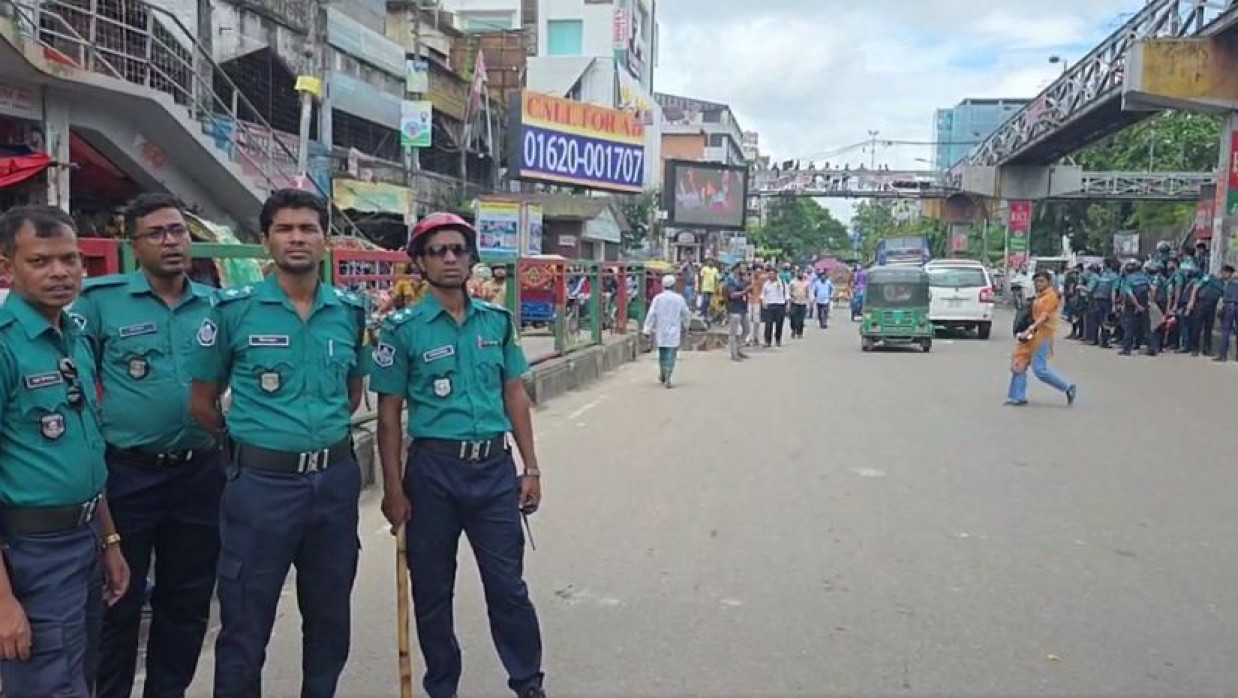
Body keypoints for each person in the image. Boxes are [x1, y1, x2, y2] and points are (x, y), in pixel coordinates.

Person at [188, 189, 369, 698]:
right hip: (261, 488)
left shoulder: (349, 313)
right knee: (246, 622)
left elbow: (351, 393)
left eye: (308, 228)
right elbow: (203, 401)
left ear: (325, 240)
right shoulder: (233, 312)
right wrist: (253, 447)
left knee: (330, 618)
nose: (297, 238)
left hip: (333, 483)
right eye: (285, 229)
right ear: (265, 239)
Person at [371, 212, 547, 698]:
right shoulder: (401, 330)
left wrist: (530, 467)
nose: (450, 258)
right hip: (433, 474)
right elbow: (388, 417)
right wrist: (393, 489)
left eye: (458, 249)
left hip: (493, 470)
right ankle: (442, 686)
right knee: (431, 594)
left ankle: (529, 684)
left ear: (472, 258)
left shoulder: (497, 321)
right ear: (420, 263)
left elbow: (514, 394)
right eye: (437, 251)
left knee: (508, 589)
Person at [74, 193, 223, 698]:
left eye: (178, 231)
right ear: (133, 244)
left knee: (187, 600)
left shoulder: (215, 305)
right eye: (157, 233)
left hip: (199, 472)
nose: (171, 242)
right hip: (127, 474)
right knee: (119, 600)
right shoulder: (100, 302)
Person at [0, 205, 130, 697]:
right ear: (7, 267)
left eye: (70, 259)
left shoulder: (73, 337)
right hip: (32, 552)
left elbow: (84, 451)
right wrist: (3, 602)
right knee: (46, 685)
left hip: (84, 541)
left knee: (81, 678)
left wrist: (110, 540)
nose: (59, 272)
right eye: (40, 261)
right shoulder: (6, 346)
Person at [1006, 271, 1078, 407]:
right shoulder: (1038, 297)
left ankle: (1068, 388)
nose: (1038, 284)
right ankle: (1018, 396)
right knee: (1018, 362)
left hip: (1042, 336)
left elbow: (1043, 316)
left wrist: (1031, 328)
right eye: (1036, 281)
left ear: (1048, 282)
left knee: (1040, 370)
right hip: (1031, 335)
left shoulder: (1051, 297)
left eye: (1041, 281)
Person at [643, 274, 691, 388]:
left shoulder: (658, 298)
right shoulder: (679, 298)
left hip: (661, 329)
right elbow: (685, 314)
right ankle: (668, 375)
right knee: (672, 354)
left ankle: (663, 373)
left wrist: (647, 330)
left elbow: (651, 314)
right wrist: (686, 326)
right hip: (674, 330)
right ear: (674, 286)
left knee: (662, 353)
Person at [1186, 265, 1224, 357]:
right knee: (1197, 327)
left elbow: (1222, 297)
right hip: (1201, 304)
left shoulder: (1222, 283)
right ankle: (1194, 348)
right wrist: (1191, 302)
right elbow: (1196, 287)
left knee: (1208, 328)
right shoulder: (1209, 277)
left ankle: (1207, 349)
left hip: (1211, 306)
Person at [1118, 260, 1152, 357]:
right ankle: (1152, 348)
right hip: (1144, 304)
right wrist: (1150, 302)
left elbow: (1130, 294)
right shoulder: (1145, 278)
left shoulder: (1128, 279)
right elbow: (1152, 289)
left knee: (1129, 327)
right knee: (1147, 327)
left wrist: (1137, 306)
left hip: (1132, 306)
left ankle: (1126, 349)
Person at [725, 264, 750, 362]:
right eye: (742, 268)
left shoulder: (743, 279)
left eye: (745, 268)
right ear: (736, 269)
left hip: (743, 307)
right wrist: (744, 291)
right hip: (734, 308)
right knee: (733, 333)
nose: (744, 270)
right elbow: (732, 295)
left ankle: (739, 349)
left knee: (747, 329)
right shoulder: (731, 280)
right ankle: (734, 354)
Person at [1214, 265, 1238, 362]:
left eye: (1223, 272)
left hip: (1230, 306)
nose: (1222, 274)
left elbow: (1223, 298)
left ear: (1228, 273)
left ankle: (1223, 355)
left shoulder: (1228, 283)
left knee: (1226, 331)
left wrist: (1220, 308)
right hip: (1234, 306)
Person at [761, 270, 789, 348]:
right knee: (768, 324)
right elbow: (763, 294)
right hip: (770, 305)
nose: (770, 276)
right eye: (769, 274)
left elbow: (787, 294)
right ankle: (767, 341)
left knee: (779, 324)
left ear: (776, 274)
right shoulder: (766, 284)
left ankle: (778, 339)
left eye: (772, 274)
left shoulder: (782, 283)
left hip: (780, 305)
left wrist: (787, 304)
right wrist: (763, 302)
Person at [787, 270, 811, 339]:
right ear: (797, 274)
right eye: (799, 273)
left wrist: (809, 303)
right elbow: (789, 291)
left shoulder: (806, 283)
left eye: (801, 273)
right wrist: (790, 298)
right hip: (794, 302)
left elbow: (808, 293)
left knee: (801, 320)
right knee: (793, 318)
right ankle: (793, 330)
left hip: (803, 303)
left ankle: (800, 333)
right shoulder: (792, 282)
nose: (800, 274)